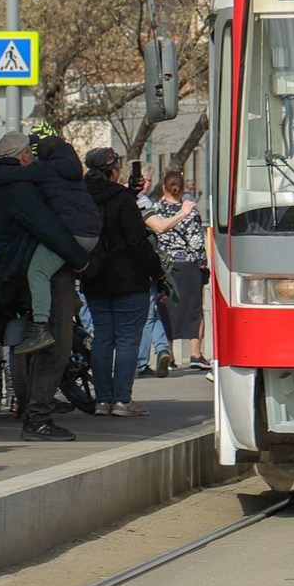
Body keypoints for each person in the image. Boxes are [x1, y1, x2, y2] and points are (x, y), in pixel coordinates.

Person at [0, 132, 89, 441]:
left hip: (19, 272)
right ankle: (38, 419)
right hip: (41, 273)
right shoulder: (21, 188)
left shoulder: (2, 184)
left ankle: (35, 412)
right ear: (25, 157)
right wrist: (79, 258)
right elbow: (48, 227)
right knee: (55, 346)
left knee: (38, 345)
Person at [81, 148, 167, 416]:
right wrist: (159, 274)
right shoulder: (121, 199)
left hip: (94, 277)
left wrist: (130, 193)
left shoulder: (81, 197)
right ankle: (122, 400)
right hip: (128, 278)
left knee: (103, 337)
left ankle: (102, 399)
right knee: (128, 340)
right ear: (112, 170)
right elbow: (136, 241)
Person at [13, 127, 101, 358]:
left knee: (38, 271)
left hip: (73, 234)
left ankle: (40, 326)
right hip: (91, 234)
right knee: (57, 264)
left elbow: (11, 176)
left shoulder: (45, 169)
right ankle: (71, 299)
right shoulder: (71, 169)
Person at [142, 169, 209, 373]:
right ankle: (195, 354)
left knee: (166, 310)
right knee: (194, 310)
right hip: (188, 264)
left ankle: (169, 355)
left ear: (164, 188)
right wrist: (202, 262)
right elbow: (196, 241)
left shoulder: (155, 209)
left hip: (165, 265)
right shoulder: (190, 212)